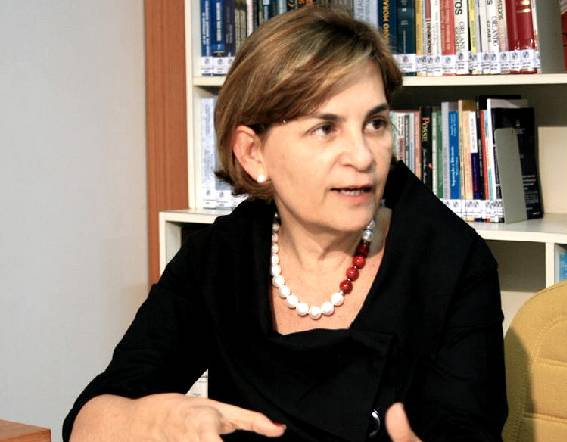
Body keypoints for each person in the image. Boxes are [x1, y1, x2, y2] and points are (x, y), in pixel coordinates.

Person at [63, 6, 507, 441]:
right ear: (252, 153)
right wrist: (154, 420)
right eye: (325, 128)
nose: (363, 156)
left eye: (375, 124)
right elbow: (89, 421)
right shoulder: (217, 257)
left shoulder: (451, 262)